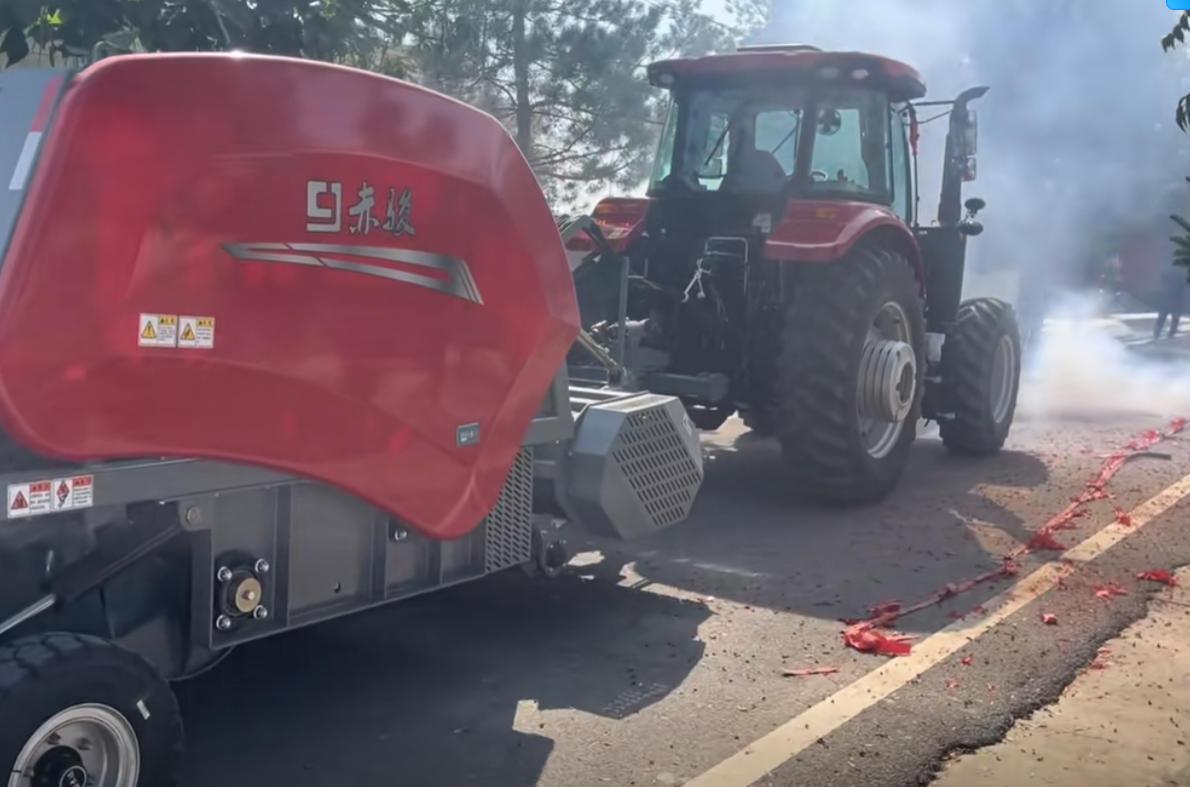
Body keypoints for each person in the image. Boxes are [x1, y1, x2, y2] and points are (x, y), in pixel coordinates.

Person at [1154, 265, 1188, 340]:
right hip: (1175, 299)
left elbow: (1162, 281)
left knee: (1163, 316)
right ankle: (1170, 334)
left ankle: (1157, 333)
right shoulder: (1180, 274)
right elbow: (1183, 287)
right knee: (1174, 317)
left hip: (1167, 298)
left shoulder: (1168, 272)